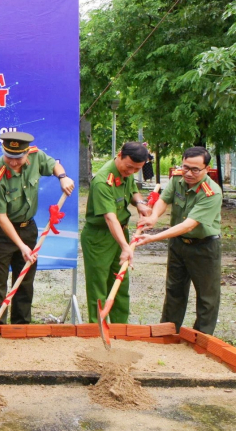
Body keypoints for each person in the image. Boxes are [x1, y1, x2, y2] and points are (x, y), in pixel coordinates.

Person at [0, 132, 74, 324]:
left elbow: (53, 165)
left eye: (18, 158)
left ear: (26, 153)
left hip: (28, 229)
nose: (14, 162)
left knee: (24, 281)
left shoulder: (35, 155)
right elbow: (1, 216)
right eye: (9, 157)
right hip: (0, 233)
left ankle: (21, 326)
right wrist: (21, 246)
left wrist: (63, 177)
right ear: (3, 152)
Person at [134, 147, 222, 334]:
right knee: (174, 291)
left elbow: (189, 225)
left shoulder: (211, 193)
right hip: (178, 245)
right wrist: (153, 217)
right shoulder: (177, 179)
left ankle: (202, 338)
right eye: (186, 167)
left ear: (207, 168)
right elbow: (164, 200)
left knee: (207, 298)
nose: (189, 173)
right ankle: (166, 333)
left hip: (204, 247)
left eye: (195, 169)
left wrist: (154, 237)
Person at [81, 141, 151, 324]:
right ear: (120, 155)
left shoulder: (126, 171)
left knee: (120, 282)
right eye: (129, 167)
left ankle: (121, 328)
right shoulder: (103, 181)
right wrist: (125, 247)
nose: (131, 172)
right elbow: (110, 218)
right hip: (100, 237)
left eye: (137, 169)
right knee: (99, 285)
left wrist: (140, 204)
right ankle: (97, 329)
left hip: (121, 232)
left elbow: (133, 189)